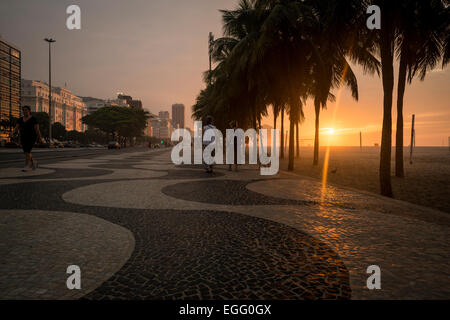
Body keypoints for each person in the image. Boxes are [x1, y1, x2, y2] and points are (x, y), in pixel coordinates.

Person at [14, 106, 43, 172]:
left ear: (29, 111)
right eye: (23, 110)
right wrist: (13, 133)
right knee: (27, 152)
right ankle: (34, 162)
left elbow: (37, 130)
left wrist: (40, 138)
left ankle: (27, 166)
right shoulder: (20, 119)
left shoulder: (33, 119)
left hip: (32, 137)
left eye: (26, 110)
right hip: (23, 137)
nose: (24, 111)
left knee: (27, 151)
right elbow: (16, 128)